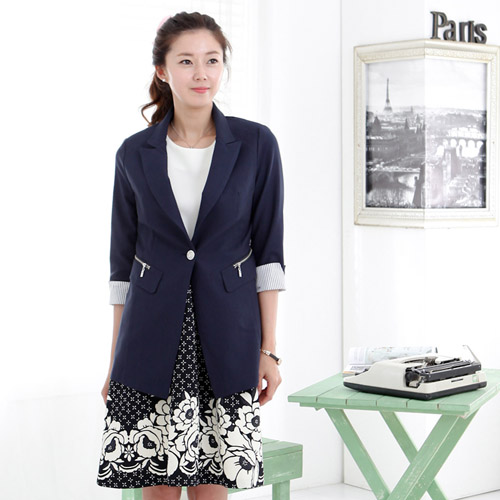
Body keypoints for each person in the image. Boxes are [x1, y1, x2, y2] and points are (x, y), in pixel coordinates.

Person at [96, 11, 286, 500]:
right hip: (150, 338)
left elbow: (269, 257)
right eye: (186, 61)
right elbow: (122, 268)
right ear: (163, 70)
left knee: (212, 488)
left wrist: (268, 350)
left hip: (227, 336)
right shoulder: (133, 153)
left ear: (223, 67)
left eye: (212, 60)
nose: (201, 73)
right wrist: (115, 361)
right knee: (156, 489)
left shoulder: (256, 145)